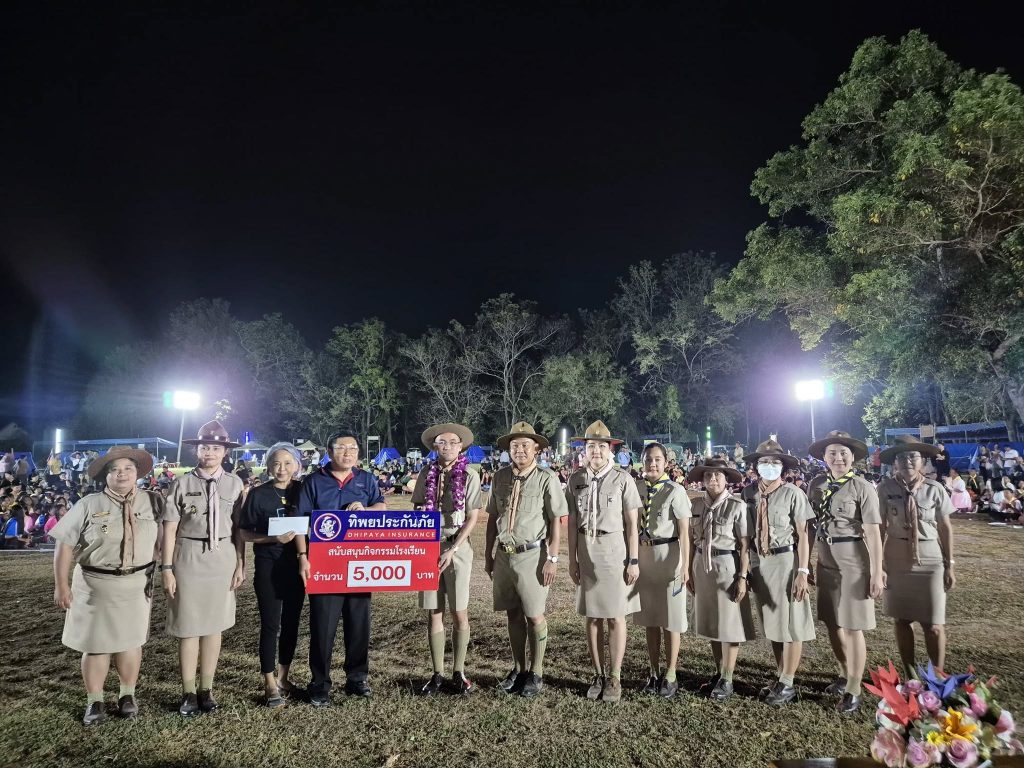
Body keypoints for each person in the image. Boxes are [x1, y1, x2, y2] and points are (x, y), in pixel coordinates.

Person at [50, 446, 163, 725]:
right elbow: (64, 545)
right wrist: (61, 585)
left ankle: (127, 695)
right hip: (95, 585)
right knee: (96, 645)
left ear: (137, 472)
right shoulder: (89, 504)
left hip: (137, 584)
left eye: (128, 468)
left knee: (131, 642)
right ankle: (95, 700)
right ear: (105, 475)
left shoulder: (154, 501)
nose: (122, 474)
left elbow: (168, 536)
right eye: (114, 470)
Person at [161, 421, 246, 716]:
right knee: (188, 626)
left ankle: (206, 689)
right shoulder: (181, 484)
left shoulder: (235, 484)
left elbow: (238, 529)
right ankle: (188, 691)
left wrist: (240, 564)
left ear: (225, 452)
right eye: (204, 447)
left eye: (216, 448)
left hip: (222, 557)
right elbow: (170, 529)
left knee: (214, 625)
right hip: (188, 556)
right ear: (196, 450)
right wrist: (167, 568)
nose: (209, 452)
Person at [295, 431, 386, 705]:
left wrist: (367, 510)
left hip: (359, 563)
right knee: (323, 626)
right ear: (329, 451)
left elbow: (381, 505)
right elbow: (299, 522)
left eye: (353, 448)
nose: (348, 453)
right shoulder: (313, 481)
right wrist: (302, 556)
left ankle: (357, 677)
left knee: (359, 624)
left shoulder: (366, 479)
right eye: (341, 448)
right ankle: (319, 683)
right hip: (325, 565)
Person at [484, 421, 567, 698]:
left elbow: (556, 521)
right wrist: (488, 555)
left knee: (534, 615)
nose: (519, 450)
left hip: (533, 555)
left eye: (525, 445)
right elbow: (493, 518)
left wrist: (552, 558)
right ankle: (519, 668)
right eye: (514, 445)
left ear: (536, 449)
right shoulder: (500, 477)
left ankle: (536, 671)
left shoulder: (546, 478)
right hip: (504, 555)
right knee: (513, 613)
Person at [807, 430, 883, 714]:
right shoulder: (816, 484)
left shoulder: (862, 487)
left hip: (852, 558)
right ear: (824, 457)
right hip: (825, 558)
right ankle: (843, 672)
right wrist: (806, 561)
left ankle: (853, 687)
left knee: (852, 626)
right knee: (831, 621)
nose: (838, 458)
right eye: (832, 453)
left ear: (853, 457)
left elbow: (873, 533)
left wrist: (877, 572)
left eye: (843, 453)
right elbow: (811, 525)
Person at [565, 420, 641, 704]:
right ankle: (597, 674)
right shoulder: (575, 479)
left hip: (614, 551)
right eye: (590, 446)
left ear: (611, 450)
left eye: (601, 446)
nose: (595, 451)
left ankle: (615, 676)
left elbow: (632, 525)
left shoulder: (623, 479)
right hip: (586, 549)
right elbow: (572, 522)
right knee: (592, 615)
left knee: (616, 615)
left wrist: (633, 560)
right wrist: (572, 559)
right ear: (584, 450)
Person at [740, 440, 815, 706]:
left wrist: (803, 571)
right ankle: (780, 676)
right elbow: (745, 535)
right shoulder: (748, 494)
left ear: (783, 466)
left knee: (792, 624)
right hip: (760, 563)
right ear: (755, 466)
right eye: (764, 462)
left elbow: (803, 535)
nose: (769, 466)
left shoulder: (793, 493)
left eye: (775, 462)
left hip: (786, 561)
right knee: (772, 623)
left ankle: (788, 682)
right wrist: (746, 569)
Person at [412, 423, 483, 695]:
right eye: (442, 442)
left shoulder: (469, 474)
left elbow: (473, 517)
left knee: (459, 611)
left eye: (454, 442)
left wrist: (452, 549)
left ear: (461, 446)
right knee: (434, 611)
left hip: (458, 547)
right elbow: (417, 506)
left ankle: (459, 672)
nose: (448, 446)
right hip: (429, 546)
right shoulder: (426, 472)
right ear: (434, 446)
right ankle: (437, 673)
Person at [877, 435, 956, 675]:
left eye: (913, 456)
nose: (907, 461)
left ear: (923, 460)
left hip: (930, 559)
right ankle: (910, 675)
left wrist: (950, 564)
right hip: (896, 558)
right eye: (901, 457)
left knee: (933, 625)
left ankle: (937, 678)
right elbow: (879, 528)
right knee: (901, 620)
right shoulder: (885, 489)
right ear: (895, 462)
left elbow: (945, 528)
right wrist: (878, 565)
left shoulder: (935, 489)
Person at [238, 442, 306, 707]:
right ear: (267, 466)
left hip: (297, 566)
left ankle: (283, 677)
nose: (282, 468)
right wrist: (271, 538)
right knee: (270, 623)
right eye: (276, 463)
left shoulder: (303, 490)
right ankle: (268, 682)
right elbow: (244, 532)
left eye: (288, 463)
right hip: (269, 566)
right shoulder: (258, 494)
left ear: (297, 465)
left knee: (291, 622)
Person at [686, 458, 753, 702]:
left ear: (726, 479)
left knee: (729, 623)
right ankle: (718, 671)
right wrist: (689, 571)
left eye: (717, 475)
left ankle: (728, 677)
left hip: (727, 566)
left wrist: (742, 576)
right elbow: (691, 540)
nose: (712, 479)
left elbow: (745, 546)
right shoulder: (695, 505)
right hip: (701, 565)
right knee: (712, 621)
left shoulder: (737, 506)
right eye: (708, 475)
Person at [632, 442, 691, 699]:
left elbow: (685, 533)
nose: (652, 464)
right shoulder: (636, 488)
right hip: (644, 557)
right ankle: (654, 671)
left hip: (669, 556)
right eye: (648, 459)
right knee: (650, 618)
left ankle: (671, 673)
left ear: (666, 463)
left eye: (657, 459)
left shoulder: (675, 491)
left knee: (671, 620)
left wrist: (685, 565)